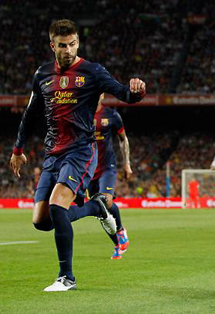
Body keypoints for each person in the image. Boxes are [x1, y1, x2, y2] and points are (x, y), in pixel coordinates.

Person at [9, 19, 146, 291]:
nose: (68, 49)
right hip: (53, 154)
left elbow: (124, 94)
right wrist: (18, 149)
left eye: (72, 44)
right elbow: (30, 113)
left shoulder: (93, 72)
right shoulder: (42, 74)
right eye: (62, 45)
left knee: (59, 206)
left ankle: (66, 277)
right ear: (52, 46)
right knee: (41, 220)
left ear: (78, 43)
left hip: (81, 151)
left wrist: (136, 92)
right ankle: (97, 207)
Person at [87, 94, 132, 259]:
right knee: (100, 212)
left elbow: (123, 139)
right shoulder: (81, 113)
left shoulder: (111, 115)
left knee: (105, 200)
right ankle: (117, 245)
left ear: (101, 95)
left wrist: (127, 163)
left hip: (107, 167)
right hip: (88, 170)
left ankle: (120, 229)